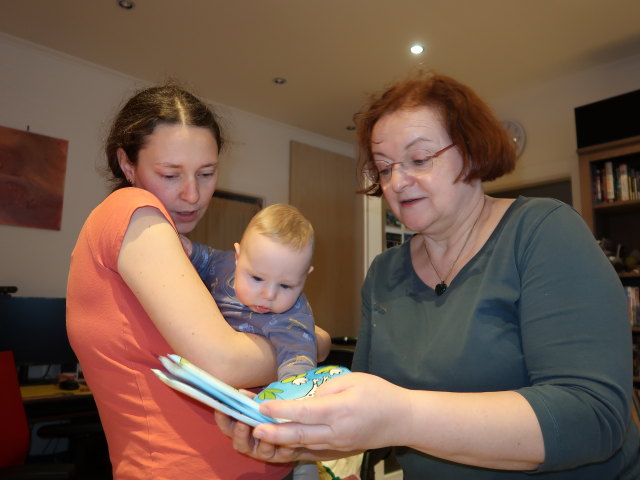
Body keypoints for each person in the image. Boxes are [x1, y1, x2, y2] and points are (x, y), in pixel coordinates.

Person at [214, 72, 640, 479]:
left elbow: (592, 417)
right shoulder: (384, 273)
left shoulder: (543, 231)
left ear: (472, 152)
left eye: (419, 159)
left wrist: (405, 415)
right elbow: (365, 420)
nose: (397, 181)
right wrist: (291, 436)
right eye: (383, 168)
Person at [66, 83, 329, 480]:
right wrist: (309, 341)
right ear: (127, 164)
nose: (192, 195)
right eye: (170, 174)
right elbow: (224, 360)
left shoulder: (176, 246)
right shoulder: (132, 208)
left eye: (206, 173)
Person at [183, 203, 320, 479]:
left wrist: (285, 406)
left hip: (263, 410)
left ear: (304, 278)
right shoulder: (221, 267)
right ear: (237, 257)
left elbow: (299, 366)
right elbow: (205, 257)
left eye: (286, 286)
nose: (268, 295)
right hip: (210, 408)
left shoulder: (293, 319)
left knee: (301, 460)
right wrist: (187, 250)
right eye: (256, 278)